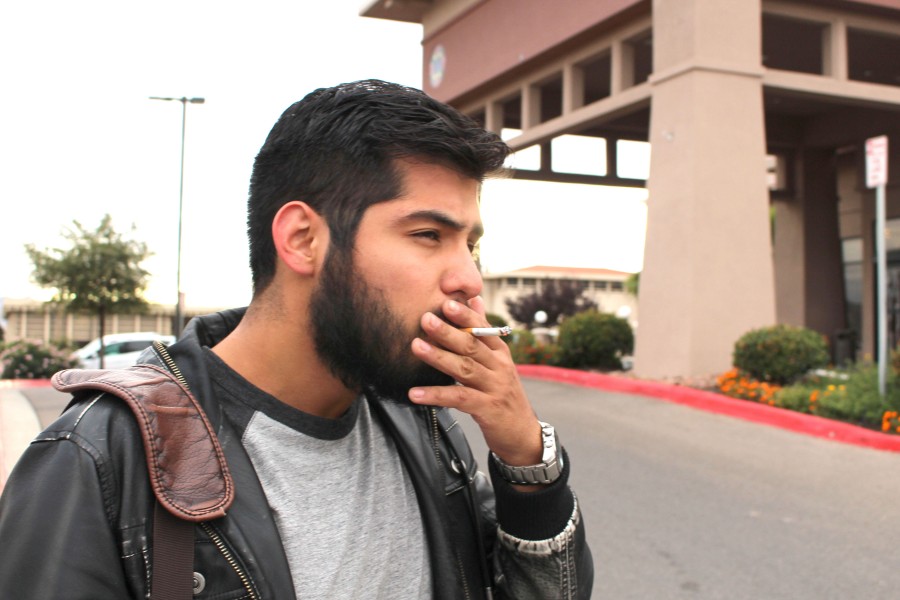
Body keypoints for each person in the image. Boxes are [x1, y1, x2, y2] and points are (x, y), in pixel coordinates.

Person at [0, 79, 593, 599]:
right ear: (304, 239)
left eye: (471, 244)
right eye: (427, 234)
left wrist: (527, 466)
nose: (468, 278)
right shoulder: (100, 459)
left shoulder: (426, 428)